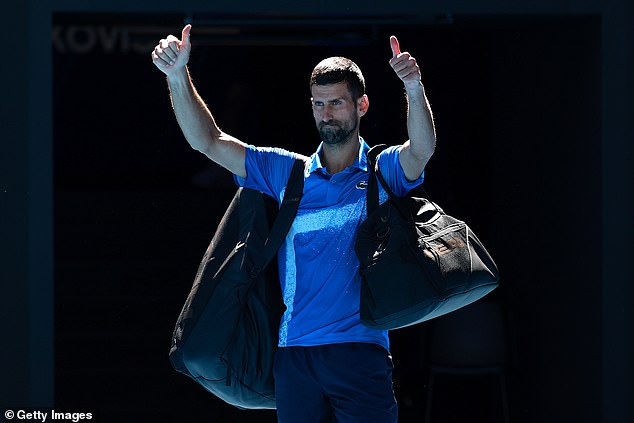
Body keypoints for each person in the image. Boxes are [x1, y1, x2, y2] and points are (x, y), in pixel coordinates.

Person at [152, 24, 436, 423]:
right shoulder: (287, 173)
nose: (327, 114)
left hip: (360, 352)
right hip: (294, 357)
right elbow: (209, 142)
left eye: (337, 103)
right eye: (319, 104)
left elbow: (421, 150)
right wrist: (177, 76)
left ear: (362, 106)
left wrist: (413, 87)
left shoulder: (380, 171)